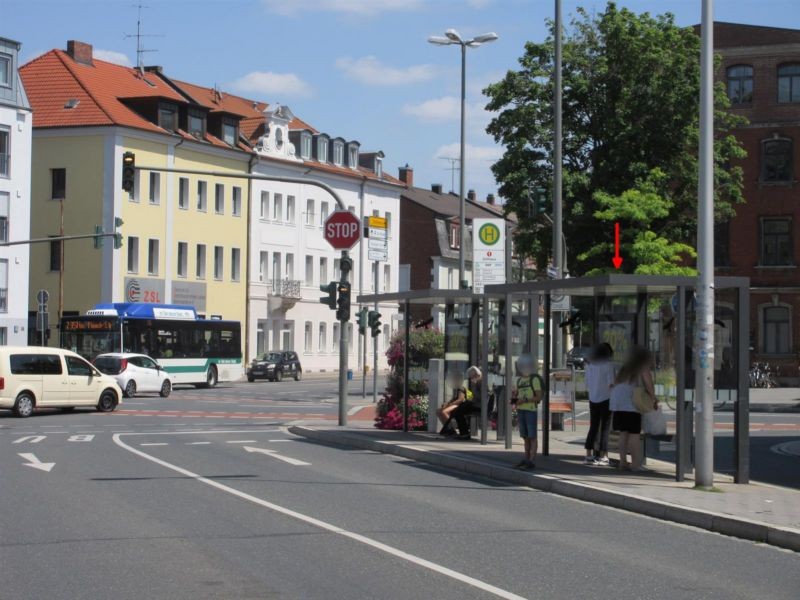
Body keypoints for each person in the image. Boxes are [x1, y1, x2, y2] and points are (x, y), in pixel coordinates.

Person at [610, 346, 657, 471]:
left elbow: (614, 383)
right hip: (632, 404)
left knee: (623, 433)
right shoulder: (643, 368)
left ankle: (623, 462)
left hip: (618, 405)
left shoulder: (624, 368)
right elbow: (649, 387)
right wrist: (653, 398)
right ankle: (635, 464)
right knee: (634, 434)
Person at [584, 343, 615, 465]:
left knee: (593, 426)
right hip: (606, 398)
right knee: (605, 428)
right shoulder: (608, 365)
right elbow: (611, 383)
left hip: (593, 398)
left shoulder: (590, 365)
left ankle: (588, 455)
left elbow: (587, 383)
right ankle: (604, 456)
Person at [511, 354, 543, 469]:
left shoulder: (534, 379)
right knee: (525, 437)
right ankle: (526, 458)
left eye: (526, 364)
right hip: (521, 410)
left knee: (532, 436)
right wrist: (514, 398)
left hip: (530, 410)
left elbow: (538, 397)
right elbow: (516, 395)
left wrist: (524, 400)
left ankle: (531, 461)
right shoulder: (519, 380)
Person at [451, 366, 482, 439]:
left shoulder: (480, 382)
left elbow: (480, 396)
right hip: (476, 403)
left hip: (479, 405)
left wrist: (471, 397)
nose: (471, 379)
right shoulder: (478, 381)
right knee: (459, 409)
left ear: (476, 375)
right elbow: (473, 396)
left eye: (471, 377)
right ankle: (464, 433)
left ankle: (464, 434)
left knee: (458, 411)